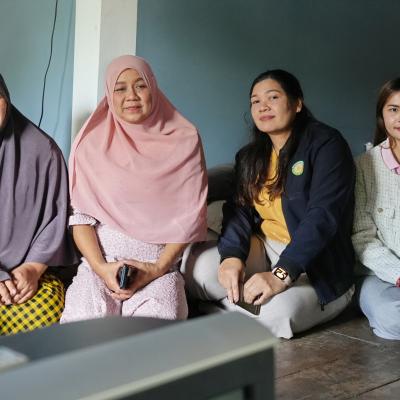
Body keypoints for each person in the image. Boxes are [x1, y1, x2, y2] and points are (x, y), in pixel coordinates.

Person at [183, 69, 355, 338]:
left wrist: (280, 275)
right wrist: (231, 256)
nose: (263, 106)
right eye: (255, 101)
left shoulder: (327, 144)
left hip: (316, 263)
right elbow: (239, 210)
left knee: (280, 315)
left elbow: (323, 216)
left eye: (273, 97)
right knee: (201, 273)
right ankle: (239, 310)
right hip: (266, 246)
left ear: (297, 103)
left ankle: (216, 311)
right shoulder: (250, 156)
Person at [61, 55, 207, 323]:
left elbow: (190, 218)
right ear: (109, 94)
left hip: (158, 268)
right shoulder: (90, 144)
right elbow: (80, 218)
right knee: (82, 326)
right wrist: (102, 268)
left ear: (153, 88)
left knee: (156, 332)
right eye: (120, 88)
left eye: (140, 86)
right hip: (100, 266)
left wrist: (156, 269)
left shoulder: (185, 140)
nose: (131, 96)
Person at [0, 74, 76, 335]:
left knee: (46, 309)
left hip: (22, 273)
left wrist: (33, 268)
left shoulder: (43, 151)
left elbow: (55, 219)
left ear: (6, 98)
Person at [352, 78, 400, 340]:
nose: (399, 117)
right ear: (382, 115)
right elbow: (362, 238)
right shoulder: (363, 166)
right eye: (393, 109)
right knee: (393, 317)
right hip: (378, 275)